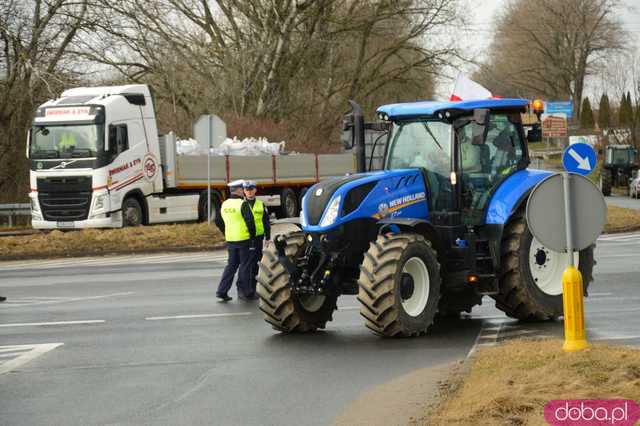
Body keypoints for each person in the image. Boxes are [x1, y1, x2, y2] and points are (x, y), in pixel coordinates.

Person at [215, 180, 258, 302]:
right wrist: (253, 237)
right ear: (239, 190)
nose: (244, 190)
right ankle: (247, 292)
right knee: (245, 266)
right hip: (244, 239)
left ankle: (222, 291)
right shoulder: (242, 204)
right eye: (242, 189)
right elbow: (250, 222)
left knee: (231, 266)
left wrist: (226, 232)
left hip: (231, 240)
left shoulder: (225, 204)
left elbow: (218, 221)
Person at [242, 180, 271, 296]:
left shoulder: (260, 204)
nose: (249, 192)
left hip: (258, 238)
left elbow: (266, 221)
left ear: (255, 190)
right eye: (247, 190)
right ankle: (247, 289)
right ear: (244, 191)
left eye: (251, 189)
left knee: (257, 264)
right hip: (246, 237)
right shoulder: (241, 204)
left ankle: (255, 288)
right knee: (247, 264)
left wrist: (268, 237)